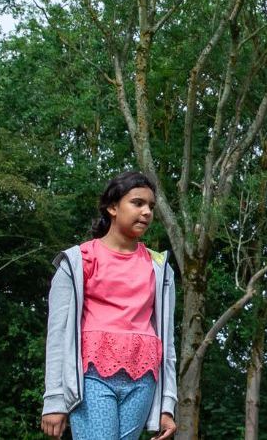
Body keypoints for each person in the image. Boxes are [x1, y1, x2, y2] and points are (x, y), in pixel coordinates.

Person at [41, 171, 179, 440]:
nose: (147, 212)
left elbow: (168, 340)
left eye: (151, 206)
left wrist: (167, 404)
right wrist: (54, 399)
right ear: (113, 207)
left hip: (144, 379)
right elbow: (57, 334)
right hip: (91, 377)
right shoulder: (78, 260)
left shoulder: (159, 267)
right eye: (137, 203)